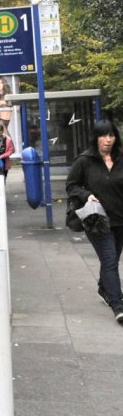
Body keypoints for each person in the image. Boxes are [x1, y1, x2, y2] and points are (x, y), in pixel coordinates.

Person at [66, 120, 123, 325]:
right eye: (103, 135)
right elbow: (71, 186)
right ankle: (118, 305)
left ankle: (103, 288)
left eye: (111, 135)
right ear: (96, 138)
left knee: (113, 259)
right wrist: (86, 194)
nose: (108, 140)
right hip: (97, 220)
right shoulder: (85, 161)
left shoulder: (120, 158)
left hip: (120, 220)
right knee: (109, 260)